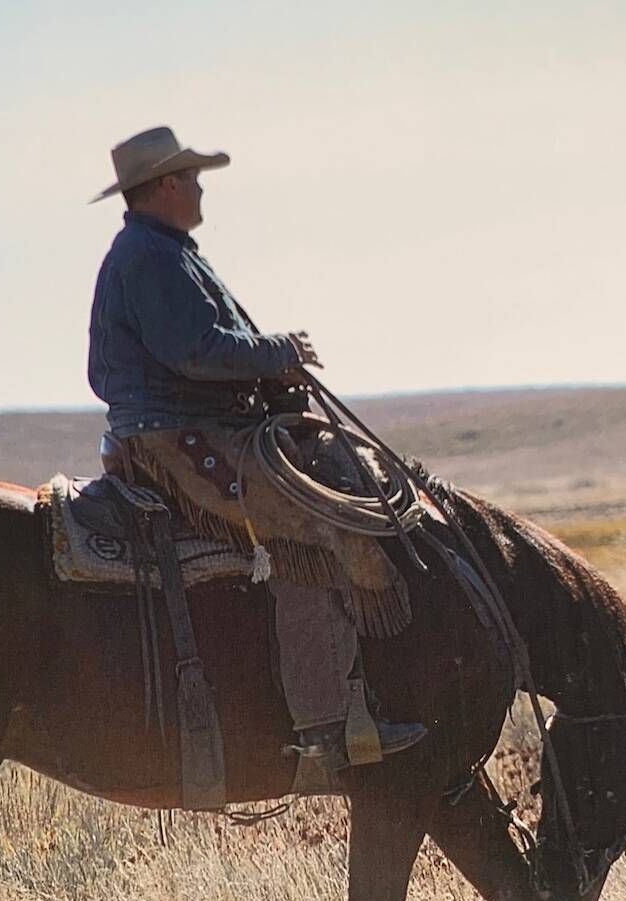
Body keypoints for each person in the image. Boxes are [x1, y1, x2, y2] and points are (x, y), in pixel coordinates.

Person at [88, 126, 425, 770]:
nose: (199, 186)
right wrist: (282, 353)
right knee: (310, 528)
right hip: (173, 437)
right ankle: (326, 723)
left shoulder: (163, 249)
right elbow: (195, 351)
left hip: (190, 425)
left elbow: (202, 346)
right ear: (164, 186)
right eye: (190, 177)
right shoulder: (150, 256)